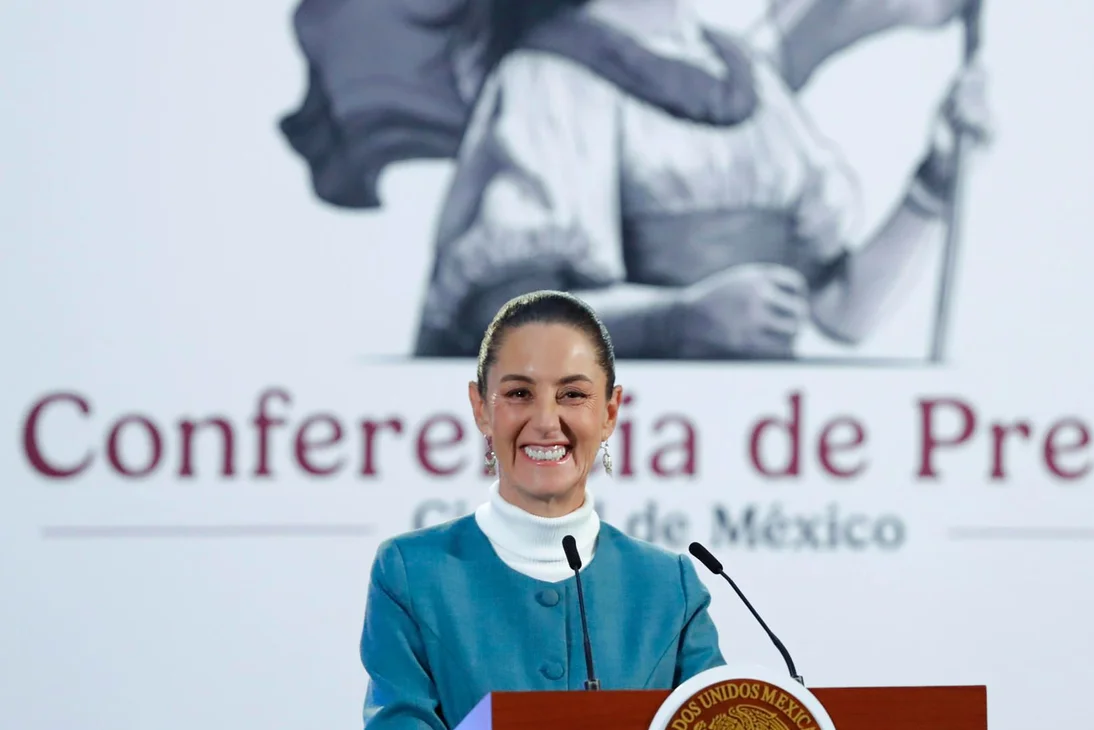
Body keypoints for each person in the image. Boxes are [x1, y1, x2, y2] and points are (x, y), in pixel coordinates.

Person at [280, 0, 990, 361]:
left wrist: (935, 180)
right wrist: (681, 316)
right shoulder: (550, 80)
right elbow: (502, 324)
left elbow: (843, 312)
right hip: (619, 476)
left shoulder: (754, 85)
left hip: (769, 471)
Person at [359, 290, 726, 729]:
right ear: (481, 409)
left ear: (610, 411)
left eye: (572, 394)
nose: (547, 421)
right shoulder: (410, 573)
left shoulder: (671, 586)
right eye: (519, 393)